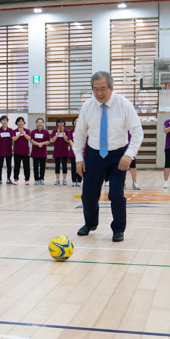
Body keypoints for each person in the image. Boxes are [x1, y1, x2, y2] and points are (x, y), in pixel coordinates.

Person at [74, 71, 143, 242]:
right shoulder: (87, 106)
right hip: (94, 154)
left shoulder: (124, 105)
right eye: (95, 89)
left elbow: (137, 132)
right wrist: (79, 158)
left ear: (111, 88)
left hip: (118, 155)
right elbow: (80, 134)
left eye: (103, 88)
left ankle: (118, 229)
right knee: (88, 195)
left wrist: (129, 155)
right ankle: (90, 223)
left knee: (116, 194)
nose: (99, 93)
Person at [30, 118, 51, 185]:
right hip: (35, 152)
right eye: (38, 123)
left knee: (42, 166)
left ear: (43, 124)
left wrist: (42, 143)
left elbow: (48, 141)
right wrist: (38, 144)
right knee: (35, 167)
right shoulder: (33, 132)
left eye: (41, 123)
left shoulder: (46, 132)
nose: (39, 124)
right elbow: (31, 140)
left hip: (43, 152)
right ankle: (36, 179)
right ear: (36, 124)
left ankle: (41, 179)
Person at [0, 115, 14, 184]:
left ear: (7, 121)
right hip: (1, 150)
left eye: (5, 120)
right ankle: (0, 179)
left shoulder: (11, 130)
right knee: (0, 165)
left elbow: (12, 140)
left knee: (9, 165)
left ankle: (8, 179)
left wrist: (13, 148)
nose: (4, 122)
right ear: (0, 122)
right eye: (2, 120)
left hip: (9, 150)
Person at [52, 118, 71, 185]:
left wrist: (62, 132)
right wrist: (57, 133)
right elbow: (53, 140)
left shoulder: (66, 131)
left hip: (64, 151)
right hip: (57, 151)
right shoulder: (54, 131)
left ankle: (64, 179)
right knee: (57, 165)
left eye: (62, 122)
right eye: (59, 122)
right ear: (57, 123)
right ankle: (57, 179)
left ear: (64, 123)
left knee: (64, 165)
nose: (60, 124)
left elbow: (66, 140)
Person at [13, 117, 31, 184]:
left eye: (21, 122)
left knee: (26, 166)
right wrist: (20, 133)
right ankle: (16, 179)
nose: (20, 123)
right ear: (16, 123)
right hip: (17, 151)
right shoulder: (14, 131)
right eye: (19, 122)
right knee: (16, 166)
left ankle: (27, 179)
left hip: (25, 151)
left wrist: (23, 132)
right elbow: (13, 139)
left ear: (23, 122)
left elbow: (29, 138)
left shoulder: (27, 130)